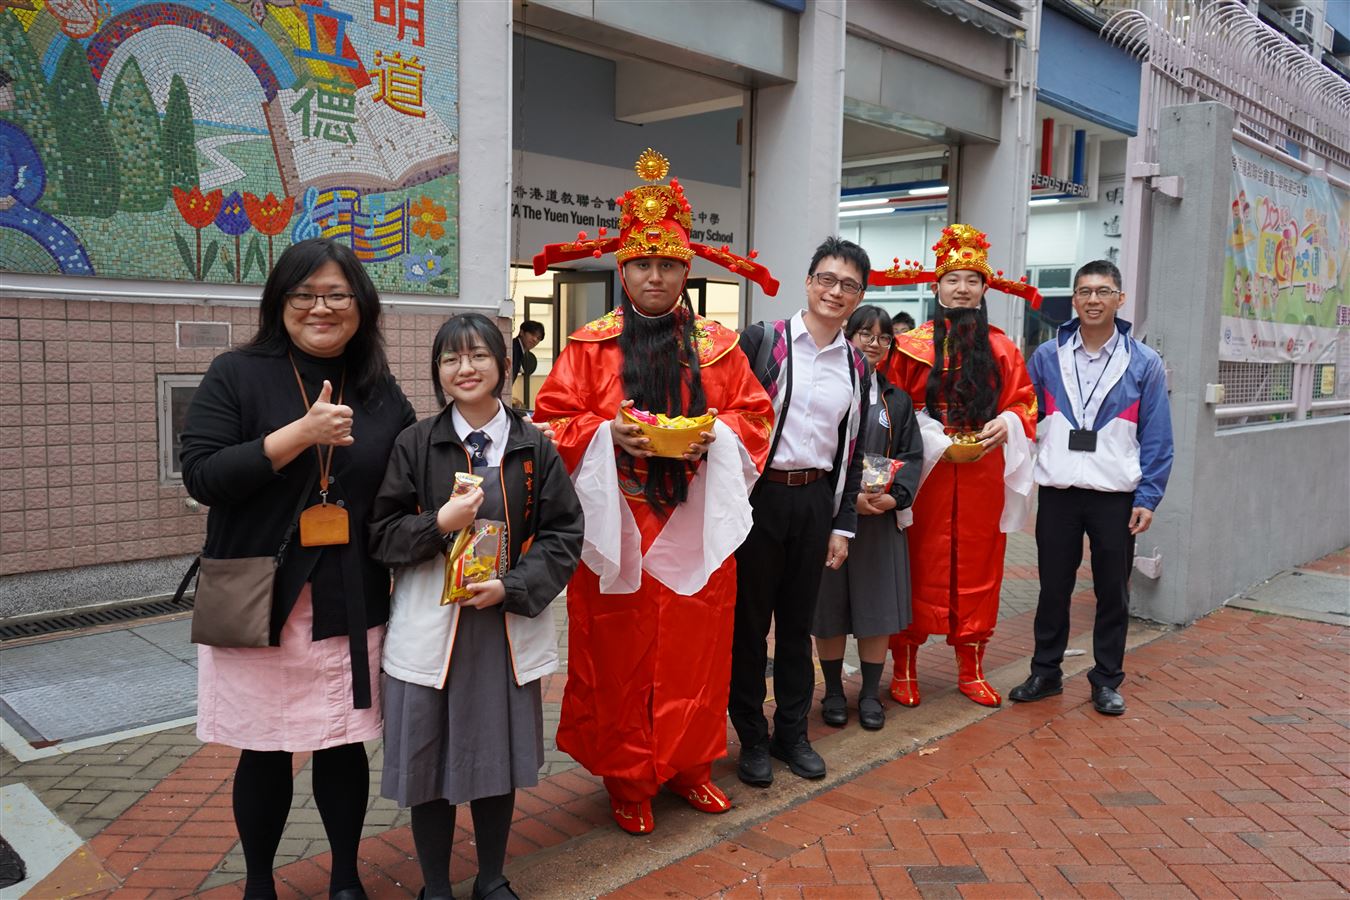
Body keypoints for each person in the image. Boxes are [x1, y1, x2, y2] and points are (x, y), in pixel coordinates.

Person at [530, 148, 778, 835]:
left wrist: (713, 437)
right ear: (623, 270)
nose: (655, 277)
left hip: (696, 522)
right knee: (622, 659)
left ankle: (693, 766)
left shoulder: (719, 345)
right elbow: (550, 423)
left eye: (668, 264)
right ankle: (629, 777)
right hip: (621, 527)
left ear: (685, 270)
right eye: (641, 264)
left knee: (699, 652)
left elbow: (756, 417)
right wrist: (606, 432)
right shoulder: (588, 347)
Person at [181, 238, 417, 900]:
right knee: (265, 748)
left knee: (342, 743)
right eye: (305, 294)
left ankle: (345, 879)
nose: (321, 307)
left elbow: (409, 479)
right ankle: (259, 884)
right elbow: (203, 475)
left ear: (361, 306)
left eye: (337, 294)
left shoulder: (378, 389)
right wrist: (299, 435)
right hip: (262, 594)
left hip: (350, 593)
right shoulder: (237, 373)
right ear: (278, 302)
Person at [368, 314, 584, 900]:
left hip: (501, 627)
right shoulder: (415, 443)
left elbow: (565, 534)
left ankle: (491, 879)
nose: (465, 369)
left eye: (478, 356)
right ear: (437, 372)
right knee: (427, 762)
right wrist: (438, 523)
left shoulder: (533, 445)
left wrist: (512, 587)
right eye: (450, 359)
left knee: (496, 758)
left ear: (504, 365)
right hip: (431, 627)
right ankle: (435, 886)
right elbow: (381, 535)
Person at [870, 225, 1040, 709]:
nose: (962, 288)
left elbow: (1025, 403)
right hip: (925, 474)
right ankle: (903, 668)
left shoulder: (1003, 348)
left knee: (980, 567)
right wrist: (920, 442)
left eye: (971, 280)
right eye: (952, 279)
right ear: (936, 286)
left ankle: (972, 668)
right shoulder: (909, 347)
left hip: (982, 471)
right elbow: (887, 410)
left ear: (985, 288)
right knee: (915, 563)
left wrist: (1009, 421)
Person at [732, 236, 871, 786]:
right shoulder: (763, 341)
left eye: (848, 285)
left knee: (797, 628)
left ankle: (791, 734)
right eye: (827, 279)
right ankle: (751, 737)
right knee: (748, 628)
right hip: (758, 499)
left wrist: (843, 524)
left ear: (859, 296)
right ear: (809, 281)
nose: (835, 292)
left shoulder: (856, 364)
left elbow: (853, 450)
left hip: (815, 500)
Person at [1010, 260, 1173, 716]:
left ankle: (1106, 679)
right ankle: (1045, 673)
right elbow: (1025, 417)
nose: (1093, 299)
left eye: (1103, 291)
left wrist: (1148, 497)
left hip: (1115, 497)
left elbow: (1158, 436)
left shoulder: (1144, 363)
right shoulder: (1047, 357)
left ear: (1120, 299)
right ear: (1074, 300)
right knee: (1053, 589)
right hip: (1059, 491)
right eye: (1084, 291)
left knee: (1112, 592)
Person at [813, 305, 923, 732]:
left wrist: (895, 497)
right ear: (849, 336)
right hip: (829, 516)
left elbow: (911, 455)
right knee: (828, 606)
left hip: (878, 518)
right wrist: (843, 499)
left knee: (877, 607)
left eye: (883, 338)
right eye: (865, 334)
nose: (874, 344)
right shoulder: (826, 389)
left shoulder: (897, 400)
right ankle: (833, 692)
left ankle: (871, 693)